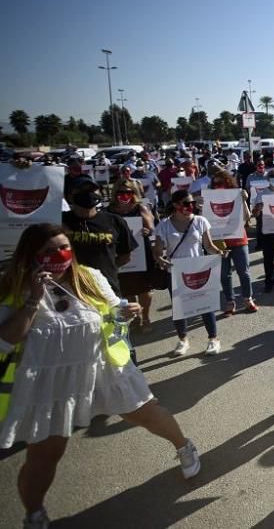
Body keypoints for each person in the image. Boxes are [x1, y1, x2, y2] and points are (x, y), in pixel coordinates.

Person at [0, 225, 201, 527]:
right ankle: (34, 513)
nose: (60, 256)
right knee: (46, 454)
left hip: (102, 368)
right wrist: (33, 299)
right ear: (31, 255)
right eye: (49, 251)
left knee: (146, 414)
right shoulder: (15, 287)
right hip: (52, 384)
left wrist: (125, 310)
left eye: (64, 248)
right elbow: (6, 340)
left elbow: (112, 310)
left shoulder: (89, 277)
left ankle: (184, 446)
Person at [154, 190, 227, 356]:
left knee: (205, 305)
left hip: (198, 268)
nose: (190, 206)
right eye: (186, 204)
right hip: (176, 271)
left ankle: (213, 339)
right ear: (176, 205)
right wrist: (161, 261)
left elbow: (208, 246)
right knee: (179, 307)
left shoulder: (200, 221)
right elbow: (157, 251)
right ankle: (183, 340)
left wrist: (219, 252)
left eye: (192, 203)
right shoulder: (164, 225)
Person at [62, 176, 138, 298]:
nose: (88, 194)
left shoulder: (114, 221)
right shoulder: (59, 220)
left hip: (107, 288)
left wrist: (106, 269)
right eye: (82, 191)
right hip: (70, 290)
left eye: (92, 190)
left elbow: (125, 256)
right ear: (70, 196)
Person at [107, 180, 157, 332]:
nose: (124, 195)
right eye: (120, 192)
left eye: (128, 192)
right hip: (120, 254)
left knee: (144, 288)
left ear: (134, 194)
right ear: (115, 194)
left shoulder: (140, 208)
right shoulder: (108, 210)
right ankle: (136, 317)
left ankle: (146, 317)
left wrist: (148, 231)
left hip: (141, 253)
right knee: (126, 289)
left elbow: (152, 228)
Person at [209, 171, 257, 316]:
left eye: (221, 183)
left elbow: (247, 217)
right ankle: (230, 302)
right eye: (215, 184)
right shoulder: (209, 199)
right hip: (220, 242)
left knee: (244, 272)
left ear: (228, 182)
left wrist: (243, 200)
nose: (218, 186)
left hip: (238, 240)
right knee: (224, 274)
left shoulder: (237, 196)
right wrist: (201, 207)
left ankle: (248, 299)